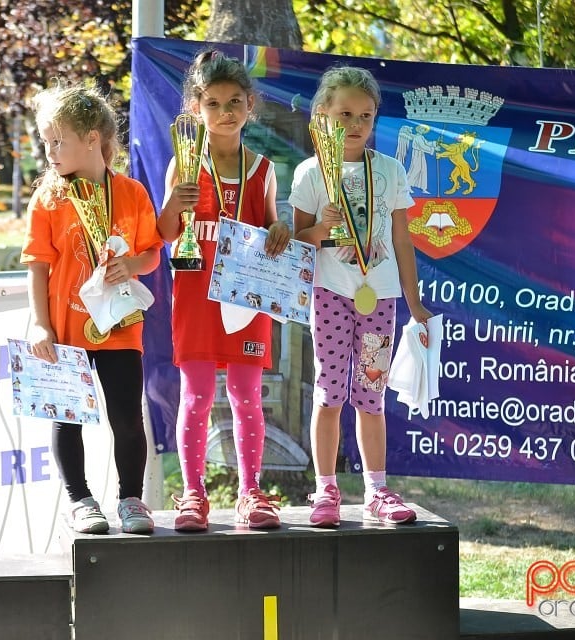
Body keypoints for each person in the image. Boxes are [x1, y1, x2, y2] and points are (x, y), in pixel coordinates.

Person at [290, 65, 432, 527]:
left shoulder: (388, 171)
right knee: (330, 391)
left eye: (365, 116)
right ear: (322, 116)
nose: (354, 125)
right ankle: (326, 490)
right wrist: (324, 228)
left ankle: (377, 489)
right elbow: (298, 241)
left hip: (380, 296)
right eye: (344, 114)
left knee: (370, 393)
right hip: (330, 293)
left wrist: (414, 301)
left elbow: (404, 240)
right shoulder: (311, 172)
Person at [158, 49, 291, 532]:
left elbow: (274, 226)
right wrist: (175, 201)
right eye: (213, 103)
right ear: (197, 108)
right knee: (194, 395)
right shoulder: (184, 165)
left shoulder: (263, 169)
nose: (225, 112)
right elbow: (166, 233)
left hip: (245, 297)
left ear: (250, 106)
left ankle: (250, 492)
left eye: (235, 101)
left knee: (245, 396)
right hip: (195, 293)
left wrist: (280, 232)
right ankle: (193, 495)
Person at [21, 83, 163, 535]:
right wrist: (41, 326)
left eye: (58, 140)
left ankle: (131, 499)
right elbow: (37, 267)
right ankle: (80, 499)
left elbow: (151, 254)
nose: (50, 151)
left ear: (92, 139)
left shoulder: (133, 193)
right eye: (46, 141)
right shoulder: (47, 199)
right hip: (65, 329)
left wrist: (131, 264)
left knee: (125, 415)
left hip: (120, 325)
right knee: (67, 417)